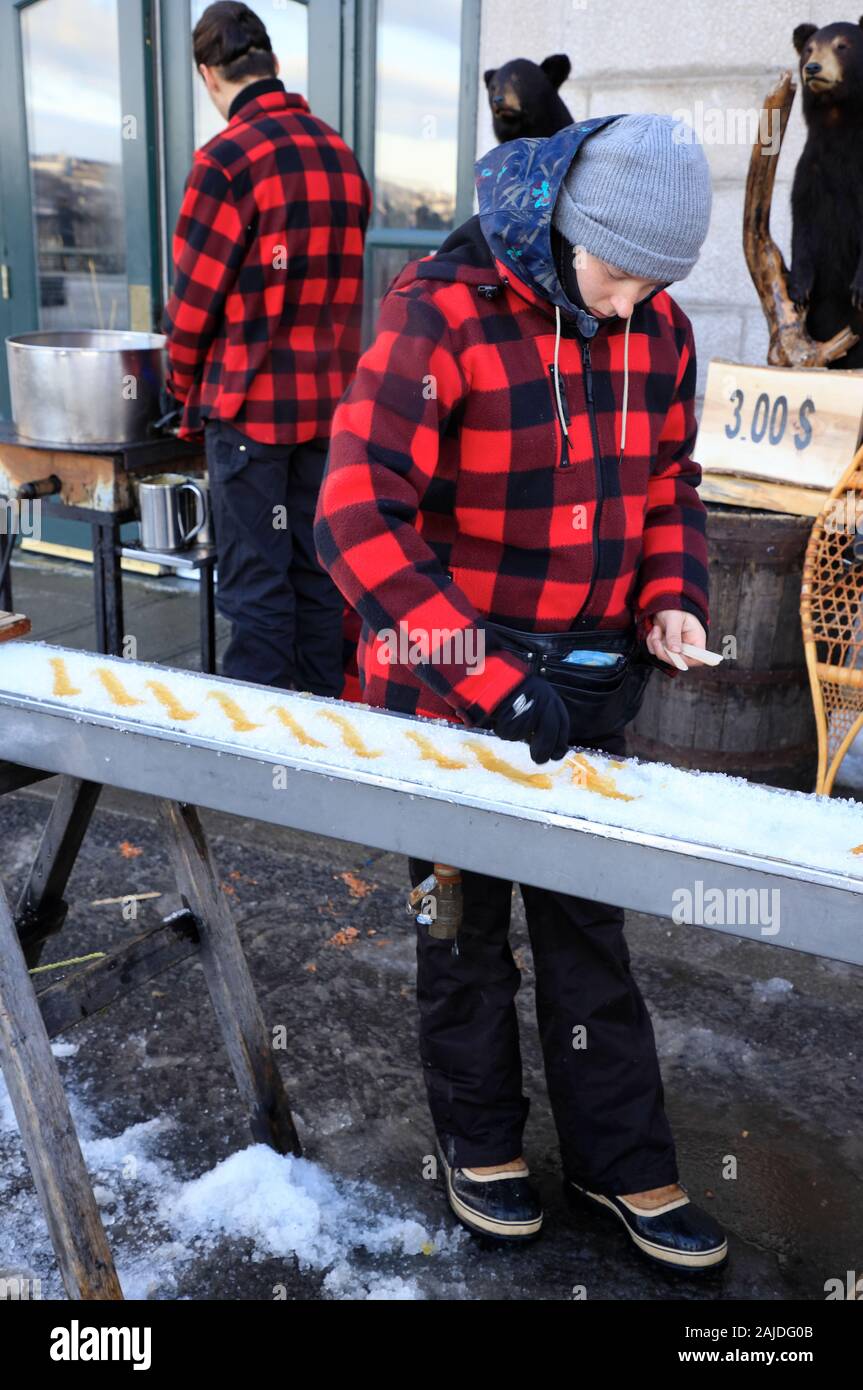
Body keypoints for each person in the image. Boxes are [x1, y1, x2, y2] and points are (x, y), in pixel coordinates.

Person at [314, 113, 727, 1272]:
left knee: (588, 922)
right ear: (562, 231)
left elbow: (667, 481)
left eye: (657, 285)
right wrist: (485, 679)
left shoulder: (657, 328)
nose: (630, 305)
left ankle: (618, 1159)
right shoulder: (438, 313)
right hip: (450, 687)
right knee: (459, 929)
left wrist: (667, 595)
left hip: (582, 687)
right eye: (617, 274)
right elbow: (352, 518)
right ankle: (479, 1143)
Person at [163, 1, 371, 696]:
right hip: (327, 414)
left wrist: (179, 391)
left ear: (206, 76)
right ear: (273, 66)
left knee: (255, 588)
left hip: (251, 413)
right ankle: (319, 744)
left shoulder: (224, 161)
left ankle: (256, 762)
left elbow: (193, 309)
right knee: (316, 578)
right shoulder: (339, 155)